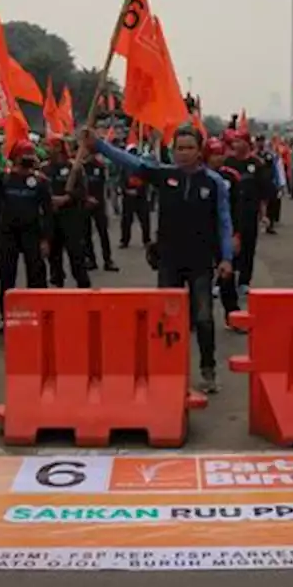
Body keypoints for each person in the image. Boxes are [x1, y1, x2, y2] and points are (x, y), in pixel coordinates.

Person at [90, 126, 234, 392]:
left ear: (199, 150)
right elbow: (131, 162)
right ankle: (168, 371)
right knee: (168, 319)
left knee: (203, 318)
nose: (184, 153)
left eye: (190, 148)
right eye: (179, 148)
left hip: (201, 261)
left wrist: (226, 258)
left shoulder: (214, 183)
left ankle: (208, 370)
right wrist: (99, 145)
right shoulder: (164, 175)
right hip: (169, 260)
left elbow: (224, 222)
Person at [0, 140, 51, 331]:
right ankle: (6, 316)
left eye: (29, 155)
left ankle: (41, 312)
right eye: (22, 155)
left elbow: (48, 212)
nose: (26, 159)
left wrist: (46, 239)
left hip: (32, 233)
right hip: (8, 233)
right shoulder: (4, 179)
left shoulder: (41, 182)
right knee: (6, 276)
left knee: (36, 274)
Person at [223, 130, 272, 295]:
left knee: (248, 247)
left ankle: (244, 281)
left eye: (239, 141)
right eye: (234, 141)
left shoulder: (257, 164)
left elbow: (263, 193)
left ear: (246, 143)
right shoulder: (227, 163)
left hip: (249, 212)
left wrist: (264, 215)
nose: (235, 145)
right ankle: (223, 280)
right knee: (227, 247)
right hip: (229, 211)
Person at [44, 138, 92, 289]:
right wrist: (49, 200)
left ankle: (83, 287)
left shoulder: (75, 168)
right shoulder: (44, 169)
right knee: (54, 255)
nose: (47, 149)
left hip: (71, 218)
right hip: (52, 219)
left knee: (76, 254)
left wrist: (67, 198)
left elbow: (83, 191)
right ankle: (57, 282)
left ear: (59, 148)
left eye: (50, 145)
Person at [204, 138, 243, 320]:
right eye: (214, 155)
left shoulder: (231, 177)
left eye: (221, 154)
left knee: (228, 275)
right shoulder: (197, 176)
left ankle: (232, 314)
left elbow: (238, 208)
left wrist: (236, 234)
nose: (218, 159)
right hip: (202, 234)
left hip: (223, 234)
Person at [81, 149, 119, 272]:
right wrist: (86, 198)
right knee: (86, 234)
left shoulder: (101, 167)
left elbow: (104, 186)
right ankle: (91, 259)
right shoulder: (81, 167)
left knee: (103, 233)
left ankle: (108, 260)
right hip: (85, 204)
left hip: (99, 203)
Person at [118, 145, 151, 248]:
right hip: (128, 197)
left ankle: (146, 240)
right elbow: (121, 181)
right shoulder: (124, 167)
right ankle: (125, 240)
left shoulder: (142, 166)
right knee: (126, 220)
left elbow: (146, 182)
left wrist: (138, 190)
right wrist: (126, 190)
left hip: (140, 197)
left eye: (134, 152)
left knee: (145, 219)